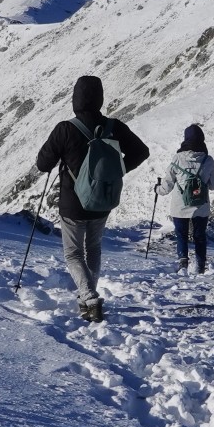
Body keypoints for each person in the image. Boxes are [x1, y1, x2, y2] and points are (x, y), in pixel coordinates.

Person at [35, 75, 149, 321]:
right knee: (93, 248)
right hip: (102, 200)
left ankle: (89, 297)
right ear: (100, 98)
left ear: (75, 99)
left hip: (73, 204)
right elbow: (141, 152)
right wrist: (117, 170)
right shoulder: (114, 127)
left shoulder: (65, 129)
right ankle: (88, 296)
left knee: (73, 254)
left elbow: (43, 164)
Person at [156, 124, 214, 274]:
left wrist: (157, 189)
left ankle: (183, 264)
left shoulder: (177, 159)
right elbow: (212, 186)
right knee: (200, 236)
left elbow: (167, 186)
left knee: (181, 235)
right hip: (201, 206)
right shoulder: (208, 160)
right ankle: (200, 266)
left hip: (180, 206)